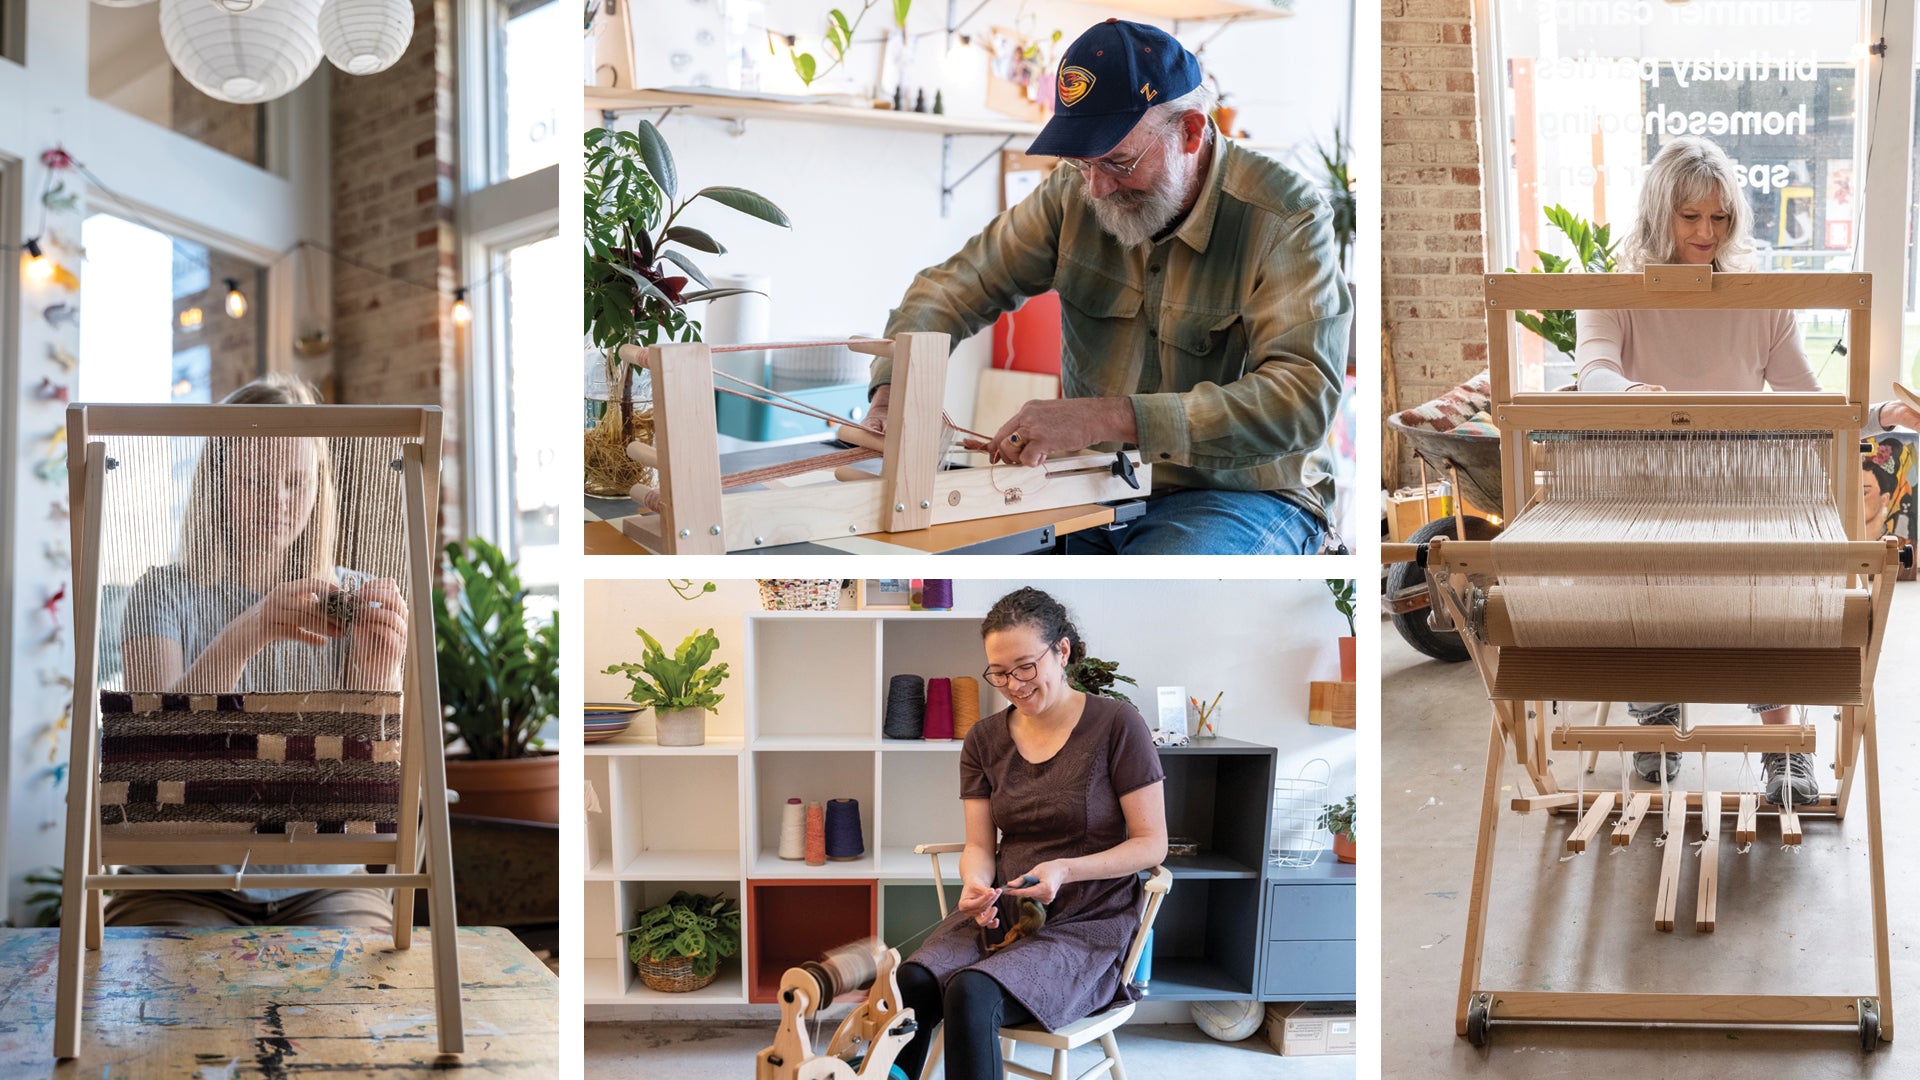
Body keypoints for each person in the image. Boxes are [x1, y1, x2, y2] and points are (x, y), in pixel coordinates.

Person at [866, 18, 1351, 555]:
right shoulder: (1073, 195)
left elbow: (1302, 401)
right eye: (1080, 163)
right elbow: (951, 289)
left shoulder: (1286, 219)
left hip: (1241, 494)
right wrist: (894, 389)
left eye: (1119, 162)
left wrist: (1107, 416)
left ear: (1190, 132)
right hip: (1092, 482)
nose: (1096, 188)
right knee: (973, 558)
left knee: (1160, 580)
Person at [1575, 135, 1917, 805]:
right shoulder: (1614, 289)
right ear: (1658, 213)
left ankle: (1778, 746)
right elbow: (1594, 369)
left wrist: (1879, 412)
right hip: (1642, 480)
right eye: (1690, 216)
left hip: (1736, 483)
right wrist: (1627, 396)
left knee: (1763, 590)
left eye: (1720, 217)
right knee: (1647, 582)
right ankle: (1654, 704)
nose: (1707, 233)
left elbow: (1809, 403)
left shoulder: (1760, 296)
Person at [106, 375, 406, 929]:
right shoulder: (162, 594)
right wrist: (251, 630)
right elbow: (155, 763)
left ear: (321, 482)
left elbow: (369, 801)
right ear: (217, 479)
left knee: (359, 1000)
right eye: (256, 480)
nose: (280, 501)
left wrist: (379, 669)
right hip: (178, 880)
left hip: (325, 881)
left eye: (298, 480)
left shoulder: (351, 599)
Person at [890, 589, 1167, 1080]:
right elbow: (979, 845)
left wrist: (1066, 869)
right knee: (911, 982)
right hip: (1004, 912)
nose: (1012, 684)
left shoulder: (1117, 725)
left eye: (1024, 666)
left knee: (971, 992)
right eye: (998, 672)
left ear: (1061, 652)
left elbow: (1152, 845)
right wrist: (974, 884)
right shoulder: (984, 739)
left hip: (1087, 919)